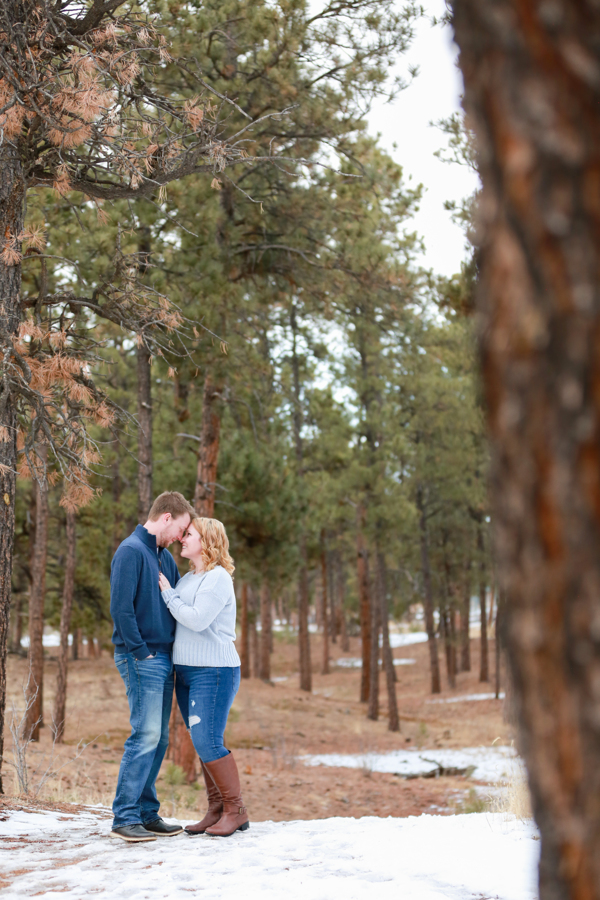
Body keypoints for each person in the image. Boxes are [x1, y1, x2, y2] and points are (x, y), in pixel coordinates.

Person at [109, 491, 195, 843]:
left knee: (158, 740)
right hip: (141, 657)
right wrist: (141, 652)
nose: (181, 537)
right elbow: (121, 609)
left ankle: (146, 813)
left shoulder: (163, 558)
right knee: (143, 736)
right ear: (166, 518)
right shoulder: (131, 552)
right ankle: (124, 816)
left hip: (163, 658)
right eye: (181, 528)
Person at [158, 516, 249, 837]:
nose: (182, 538)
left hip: (214, 671)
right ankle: (217, 809)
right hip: (187, 672)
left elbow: (196, 620)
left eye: (189, 534)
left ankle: (235, 810)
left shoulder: (218, 578)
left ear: (207, 541)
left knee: (207, 742)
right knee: (205, 742)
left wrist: (168, 594)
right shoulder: (188, 579)